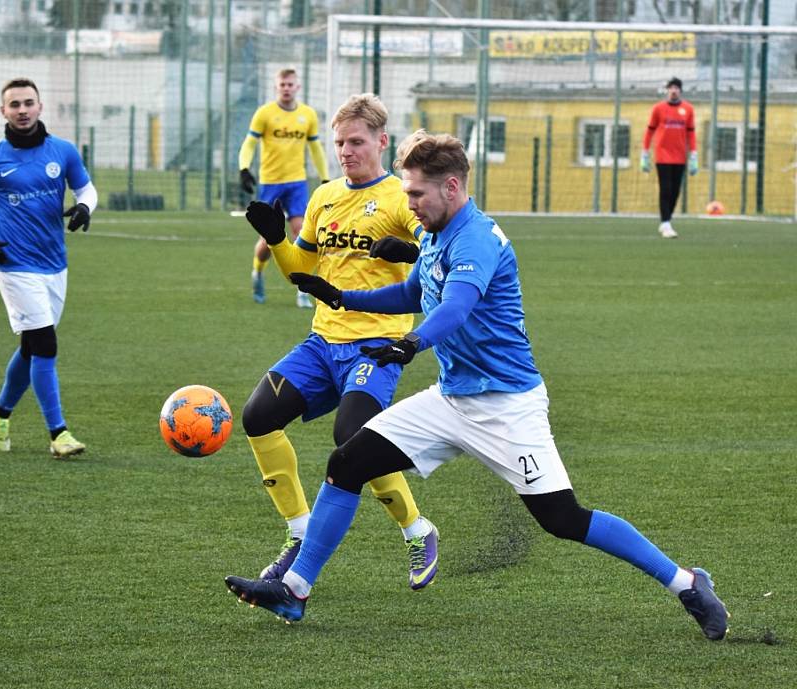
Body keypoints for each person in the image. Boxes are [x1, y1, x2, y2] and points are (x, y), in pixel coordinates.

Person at [226, 129, 730, 642]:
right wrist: (340, 296)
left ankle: (687, 583)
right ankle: (295, 589)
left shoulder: (477, 238)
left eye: (417, 194)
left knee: (562, 518)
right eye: (406, 193)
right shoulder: (434, 234)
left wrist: (413, 344)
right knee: (347, 462)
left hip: (507, 406)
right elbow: (412, 291)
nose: (409, 204)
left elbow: (455, 306)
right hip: (451, 398)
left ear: (451, 187)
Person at [227, 94, 438, 591]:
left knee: (353, 438)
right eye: (340, 142)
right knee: (258, 416)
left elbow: (437, 253)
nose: (345, 150)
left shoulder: (399, 197)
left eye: (356, 141)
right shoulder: (323, 197)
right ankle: (299, 530)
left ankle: (417, 529)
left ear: (382, 142)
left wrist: (408, 247)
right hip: (323, 343)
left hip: (376, 345)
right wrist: (278, 240)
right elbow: (302, 274)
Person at [0, 77, 97, 457]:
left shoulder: (63, 151)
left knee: (30, 346)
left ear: (40, 107)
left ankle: (0, 413)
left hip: (55, 264)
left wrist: (86, 206)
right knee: (45, 343)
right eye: (14, 104)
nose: (22, 110)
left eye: (28, 103)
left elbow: (86, 188)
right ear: (3, 112)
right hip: (13, 265)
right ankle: (59, 434)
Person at [238, 67, 330, 307]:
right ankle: (257, 272)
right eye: (283, 85)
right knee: (268, 240)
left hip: (297, 182)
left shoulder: (308, 115)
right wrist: (244, 168)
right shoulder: (264, 114)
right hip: (270, 183)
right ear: (276, 87)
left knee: (302, 233)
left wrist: (325, 177)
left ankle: (303, 289)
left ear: (297, 87)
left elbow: (316, 148)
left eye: (290, 84)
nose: (286, 88)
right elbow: (249, 143)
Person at [640, 77, 698, 239]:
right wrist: (645, 152)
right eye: (671, 87)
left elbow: (691, 132)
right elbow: (650, 130)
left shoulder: (688, 109)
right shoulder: (658, 108)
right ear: (667, 90)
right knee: (665, 189)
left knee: (675, 191)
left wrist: (694, 154)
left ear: (680, 90)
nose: (674, 90)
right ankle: (666, 223)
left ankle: (667, 220)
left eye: (676, 88)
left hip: (680, 156)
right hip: (663, 155)